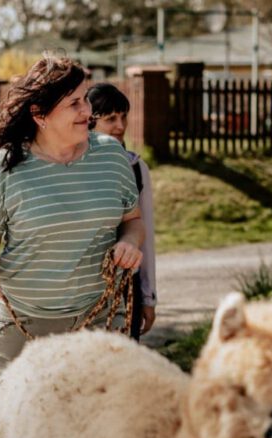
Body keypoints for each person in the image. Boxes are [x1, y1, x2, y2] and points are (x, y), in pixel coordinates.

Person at [0, 56, 145, 370]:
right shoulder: (7, 167)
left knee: (98, 417)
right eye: (74, 103)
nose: (87, 111)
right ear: (40, 115)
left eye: (85, 99)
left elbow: (133, 221)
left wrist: (129, 242)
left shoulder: (112, 157)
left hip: (100, 318)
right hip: (24, 326)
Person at [88, 82, 157, 340]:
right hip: (84, 288)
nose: (120, 126)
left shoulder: (137, 168)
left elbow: (145, 235)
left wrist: (148, 296)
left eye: (123, 116)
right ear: (90, 122)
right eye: (110, 119)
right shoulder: (71, 166)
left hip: (128, 284)